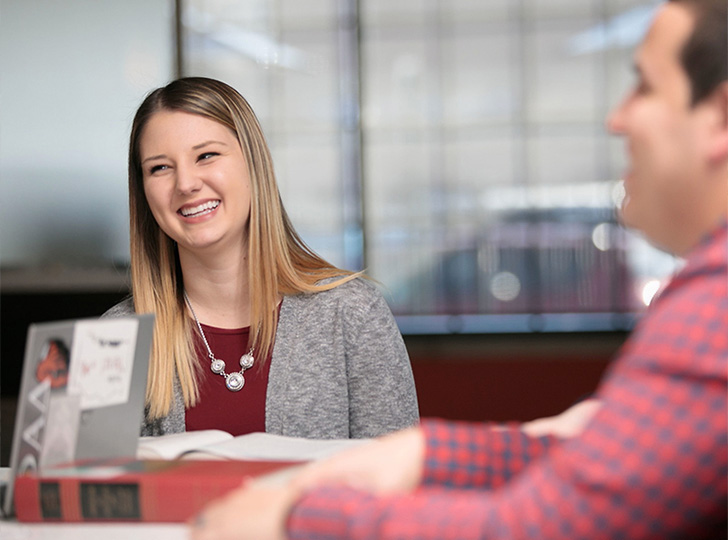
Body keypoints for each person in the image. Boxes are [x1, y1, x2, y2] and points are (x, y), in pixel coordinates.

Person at [189, 0, 728, 538]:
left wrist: (295, 518)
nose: (617, 118)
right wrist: (427, 453)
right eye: (159, 168)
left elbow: (537, 527)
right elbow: (602, 455)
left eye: (646, 87)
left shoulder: (713, 307)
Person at [104, 77, 419, 439]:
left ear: (255, 165)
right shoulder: (117, 338)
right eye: (160, 167)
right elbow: (87, 489)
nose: (186, 184)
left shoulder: (351, 314)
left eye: (206, 155)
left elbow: (398, 483)